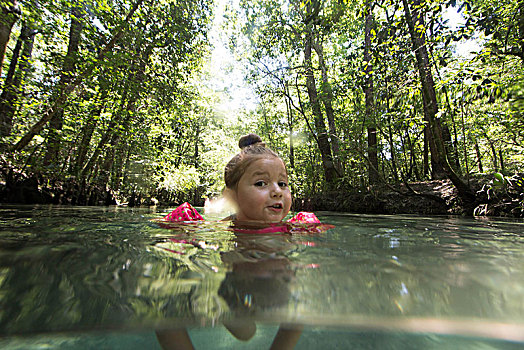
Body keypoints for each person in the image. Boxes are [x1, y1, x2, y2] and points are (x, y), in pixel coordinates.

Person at [156, 133, 330, 349]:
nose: (277, 191)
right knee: (169, 318)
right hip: (234, 289)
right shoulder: (223, 227)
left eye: (283, 183)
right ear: (231, 197)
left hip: (278, 284)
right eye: (261, 183)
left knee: (297, 316)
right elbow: (181, 231)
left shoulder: (295, 227)